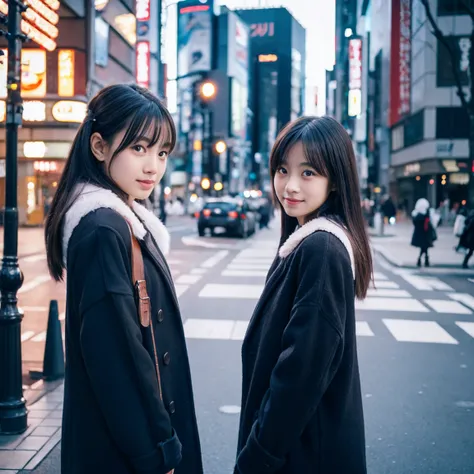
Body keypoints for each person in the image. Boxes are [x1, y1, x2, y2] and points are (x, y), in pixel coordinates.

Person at [44, 84, 203, 474]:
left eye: (162, 152)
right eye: (139, 148)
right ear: (99, 147)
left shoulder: (122, 223)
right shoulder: (103, 228)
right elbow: (116, 357)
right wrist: (157, 451)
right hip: (127, 453)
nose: (153, 166)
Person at [235, 116, 372, 474]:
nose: (290, 185)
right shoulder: (306, 242)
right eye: (282, 170)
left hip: (303, 455)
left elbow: (300, 375)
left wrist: (257, 457)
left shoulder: (321, 249)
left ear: (336, 181)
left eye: (308, 172)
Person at [411, 198, 436, 267]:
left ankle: (422, 260)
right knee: (424, 247)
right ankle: (424, 260)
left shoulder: (416, 214)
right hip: (425, 234)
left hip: (419, 235)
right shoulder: (426, 215)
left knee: (424, 247)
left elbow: (414, 223)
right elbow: (428, 224)